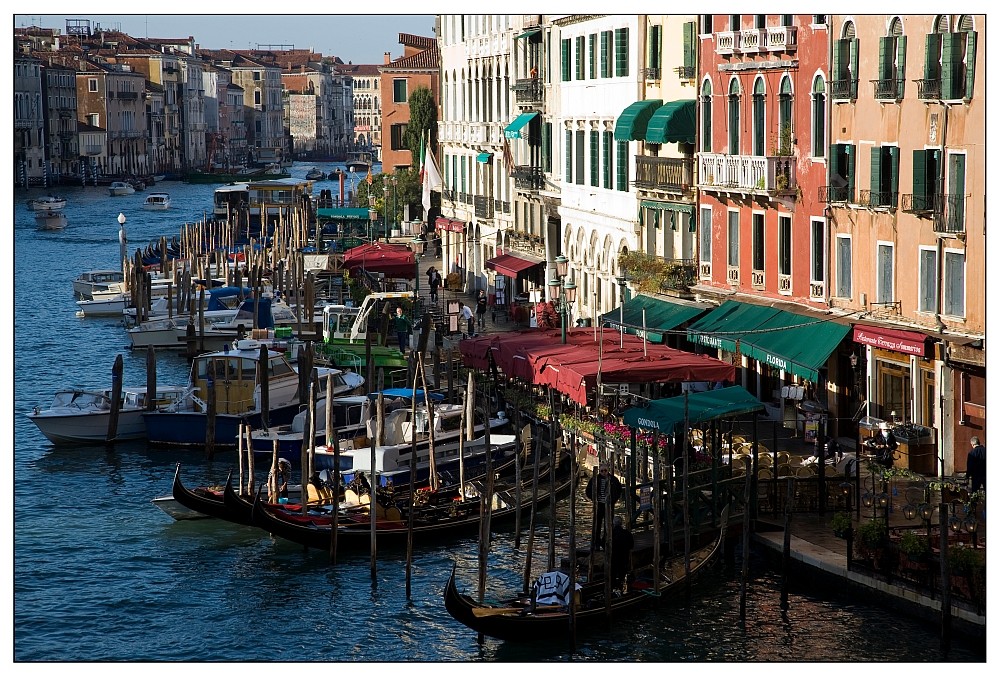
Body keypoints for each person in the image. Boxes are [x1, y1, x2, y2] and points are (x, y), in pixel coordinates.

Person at [585, 462, 622, 549]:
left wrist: (613, 500)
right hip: (599, 505)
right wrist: (593, 499)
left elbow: (619, 490)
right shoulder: (595, 479)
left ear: (608, 470)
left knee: (608, 524)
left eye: (605, 470)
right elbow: (588, 490)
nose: (603, 472)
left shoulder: (613, 479)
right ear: (599, 471)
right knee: (597, 525)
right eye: (601, 471)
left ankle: (606, 542)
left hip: (609, 505)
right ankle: (597, 543)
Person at [610, 515, 634, 588]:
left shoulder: (610, 534)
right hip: (624, 558)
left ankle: (612, 587)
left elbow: (604, 543)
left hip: (613, 558)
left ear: (613, 524)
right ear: (621, 523)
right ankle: (621, 586)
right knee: (622, 575)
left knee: (612, 575)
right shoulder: (627, 533)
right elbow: (631, 545)